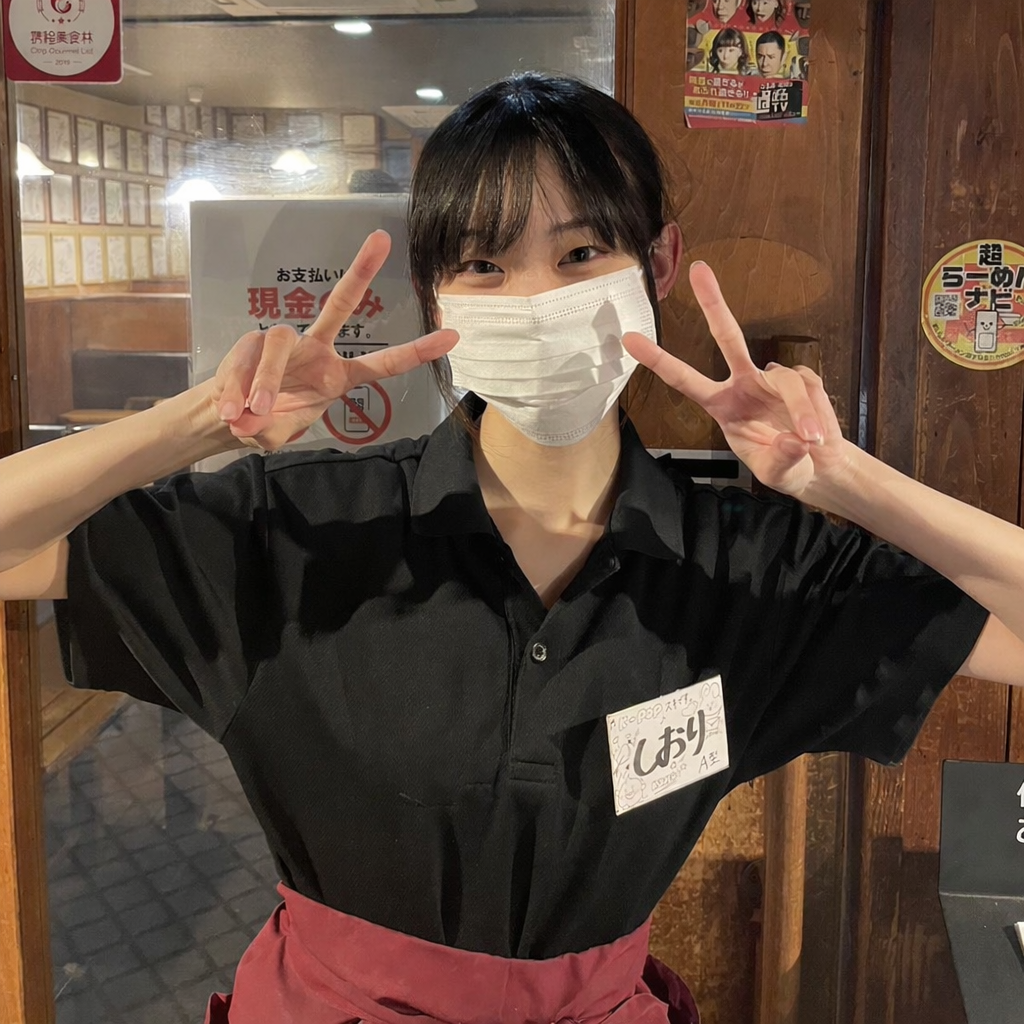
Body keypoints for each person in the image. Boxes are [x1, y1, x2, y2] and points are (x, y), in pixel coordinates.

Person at [1, 72, 1022, 1024]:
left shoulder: (750, 567)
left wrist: (845, 481)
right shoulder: (299, 530)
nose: (536, 300)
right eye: (484, 264)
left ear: (658, 262)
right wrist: (199, 425)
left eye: (580, 255)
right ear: (434, 294)